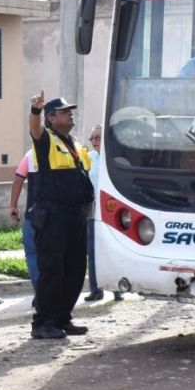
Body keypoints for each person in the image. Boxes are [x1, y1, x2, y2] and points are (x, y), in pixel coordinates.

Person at [27, 91, 93, 339]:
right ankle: (42, 322)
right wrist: (35, 110)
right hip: (53, 216)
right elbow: (34, 129)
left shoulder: (74, 143)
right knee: (52, 271)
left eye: (70, 111)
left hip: (75, 215)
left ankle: (63, 318)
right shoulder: (45, 139)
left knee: (75, 269)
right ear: (52, 118)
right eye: (65, 111)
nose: (70, 114)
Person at [84, 125, 122, 302]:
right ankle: (95, 289)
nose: (95, 142)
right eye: (92, 139)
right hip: (93, 210)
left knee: (113, 249)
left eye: (98, 137)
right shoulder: (88, 159)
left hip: (112, 211)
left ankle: (117, 289)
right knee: (92, 251)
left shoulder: (114, 158)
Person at [7, 149, 39, 296]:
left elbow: (18, 179)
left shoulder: (31, 155)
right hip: (58, 216)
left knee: (32, 253)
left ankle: (39, 291)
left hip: (34, 214)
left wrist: (13, 205)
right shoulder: (65, 149)